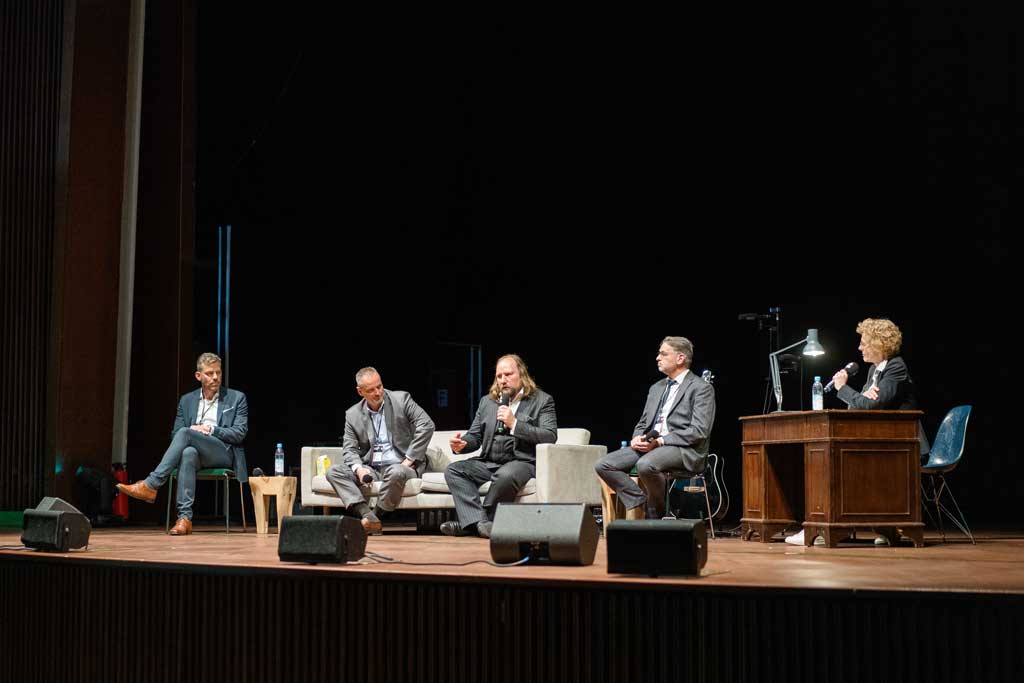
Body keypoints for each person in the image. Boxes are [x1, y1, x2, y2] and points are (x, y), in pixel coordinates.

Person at [787, 317, 928, 546]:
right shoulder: (875, 370)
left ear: (879, 344)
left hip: (904, 445)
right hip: (882, 441)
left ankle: (827, 527)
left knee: (838, 461)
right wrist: (864, 399)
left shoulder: (896, 367)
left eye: (864, 343)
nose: (859, 347)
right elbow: (860, 405)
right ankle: (823, 526)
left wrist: (844, 388)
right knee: (829, 457)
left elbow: (870, 406)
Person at [117, 352, 248, 535]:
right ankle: (184, 518)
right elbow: (175, 435)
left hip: (223, 451)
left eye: (218, 372)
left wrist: (210, 430)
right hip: (196, 450)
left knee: (186, 432)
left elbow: (239, 433)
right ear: (198, 376)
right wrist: (194, 434)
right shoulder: (187, 401)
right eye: (210, 373)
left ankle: (152, 484)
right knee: (188, 453)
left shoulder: (236, 398)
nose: (216, 377)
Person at [595, 336, 716, 519]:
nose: (657, 358)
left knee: (646, 464)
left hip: (684, 449)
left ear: (680, 358)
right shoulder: (656, 388)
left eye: (663, 354)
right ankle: (646, 504)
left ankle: (655, 512)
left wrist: (661, 441)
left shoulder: (701, 388)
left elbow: (699, 431)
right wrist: (637, 437)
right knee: (604, 464)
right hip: (653, 445)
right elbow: (643, 422)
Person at [441, 354, 557, 538]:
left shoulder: (542, 401)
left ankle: (470, 525)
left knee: (506, 475)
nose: (503, 380)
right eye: (499, 376)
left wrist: (515, 424)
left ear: (522, 374)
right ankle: (480, 523)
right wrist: (462, 444)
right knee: (454, 470)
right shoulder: (487, 401)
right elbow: (475, 436)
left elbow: (549, 436)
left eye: (508, 374)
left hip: (522, 461)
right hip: (490, 461)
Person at [325, 367, 435, 534]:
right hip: (373, 468)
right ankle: (366, 514)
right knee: (334, 472)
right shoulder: (353, 414)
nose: (378, 392)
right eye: (371, 390)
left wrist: (409, 458)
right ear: (360, 391)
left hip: (402, 465)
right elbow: (349, 449)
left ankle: (375, 517)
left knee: (396, 471)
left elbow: (426, 425)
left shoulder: (401, 399)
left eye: (380, 386)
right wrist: (359, 469)